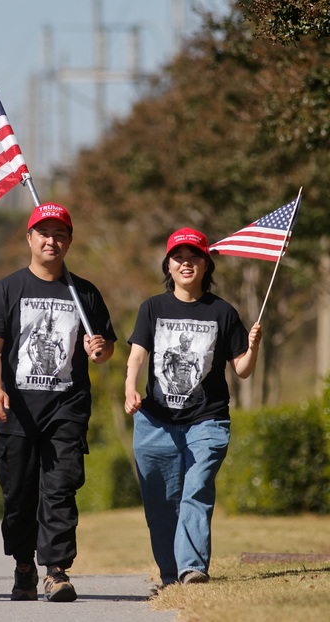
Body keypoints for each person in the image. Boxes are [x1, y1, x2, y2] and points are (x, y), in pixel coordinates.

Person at [0, 203, 116, 603]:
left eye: (60, 234)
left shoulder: (84, 292)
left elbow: (102, 352)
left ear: (69, 241)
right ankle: (23, 566)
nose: (51, 240)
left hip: (66, 409)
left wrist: (99, 349)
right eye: (44, 233)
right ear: (30, 238)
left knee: (60, 490)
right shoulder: (7, 289)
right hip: (17, 410)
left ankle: (56, 570)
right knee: (18, 494)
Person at [124, 227, 262, 589]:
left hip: (207, 419)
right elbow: (137, 354)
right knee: (160, 503)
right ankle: (171, 575)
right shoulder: (152, 308)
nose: (186, 263)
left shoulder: (222, 311)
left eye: (194, 256)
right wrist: (129, 390)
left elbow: (243, 370)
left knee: (196, 489)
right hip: (155, 421)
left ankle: (192, 569)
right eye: (178, 257)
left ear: (206, 263)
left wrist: (253, 346)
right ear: (168, 265)